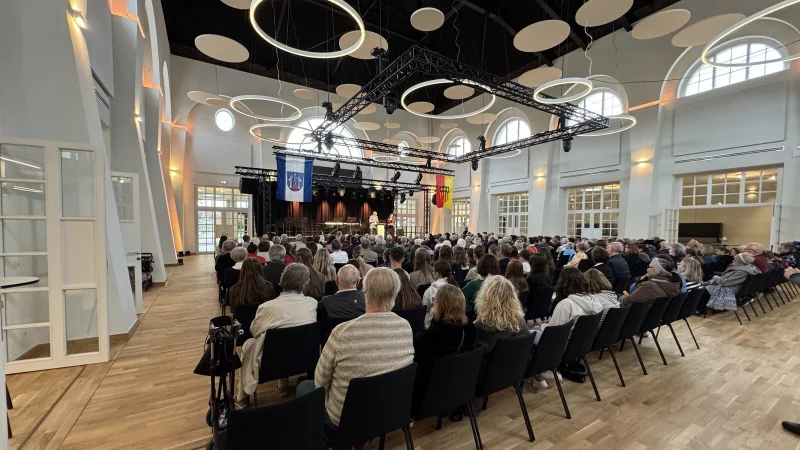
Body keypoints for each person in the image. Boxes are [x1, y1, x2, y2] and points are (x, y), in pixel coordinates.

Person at [295, 268, 414, 429]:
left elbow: (320, 381)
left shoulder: (341, 332)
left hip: (344, 418)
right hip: (389, 411)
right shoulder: (405, 327)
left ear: (364, 291)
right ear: (396, 293)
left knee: (304, 387)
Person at [237, 264, 318, 405]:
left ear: (282, 280)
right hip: (304, 358)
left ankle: (241, 396)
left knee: (249, 344)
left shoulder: (266, 307)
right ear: (305, 283)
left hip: (272, 362)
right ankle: (282, 383)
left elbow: (255, 331)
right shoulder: (313, 304)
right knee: (287, 339)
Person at [412, 285, 477, 414]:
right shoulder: (471, 329)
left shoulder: (426, 338)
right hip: (460, 390)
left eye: (435, 301)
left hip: (428, 398)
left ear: (441, 306)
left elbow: (418, 372)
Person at [474, 276, 529, 352]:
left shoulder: (478, 327)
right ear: (513, 297)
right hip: (518, 362)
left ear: (485, 298)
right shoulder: (520, 321)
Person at [422, 260, 459, 328]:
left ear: (437, 273)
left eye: (433, 271)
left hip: (435, 324)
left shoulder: (431, 290)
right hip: (455, 322)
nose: (432, 273)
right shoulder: (456, 286)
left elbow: (425, 308)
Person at [462, 254, 501, 318]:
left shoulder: (473, 285)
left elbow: (459, 297)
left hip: (477, 319)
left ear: (481, 266)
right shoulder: (501, 285)